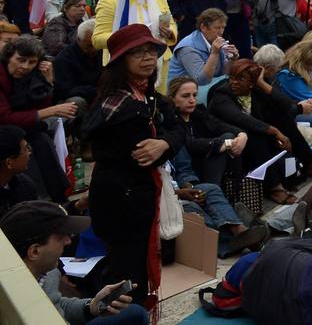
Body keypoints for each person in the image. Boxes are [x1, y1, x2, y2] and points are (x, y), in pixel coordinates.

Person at [83, 23, 186, 313]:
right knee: (125, 277)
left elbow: (178, 129)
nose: (147, 58)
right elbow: (144, 155)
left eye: (151, 51)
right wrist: (164, 144)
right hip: (120, 201)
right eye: (137, 53)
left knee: (139, 268)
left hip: (140, 196)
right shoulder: (117, 106)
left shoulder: (149, 95)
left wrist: (165, 143)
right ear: (120, 63)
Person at [1, 199, 148, 324]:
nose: (68, 241)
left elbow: (58, 305)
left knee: (136, 313)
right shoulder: (9, 302)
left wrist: (92, 305)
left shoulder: (50, 271)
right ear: (34, 251)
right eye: (60, 236)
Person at [207, 59, 312, 203]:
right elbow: (240, 119)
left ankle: (310, 162)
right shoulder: (221, 94)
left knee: (282, 119)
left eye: (241, 79)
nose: (234, 82)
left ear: (252, 83)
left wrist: (262, 83)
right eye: (232, 78)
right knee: (254, 135)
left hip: (260, 136)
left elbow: (286, 106)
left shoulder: (255, 91)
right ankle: (274, 188)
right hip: (235, 141)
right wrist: (274, 132)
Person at [0, 35, 74, 199]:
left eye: (31, 62)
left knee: (42, 140)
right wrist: (52, 111)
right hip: (6, 131)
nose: (25, 66)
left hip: (23, 128)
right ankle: (35, 199)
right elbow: (5, 117)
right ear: (8, 57)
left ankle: (57, 198)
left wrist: (47, 82)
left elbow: (38, 106)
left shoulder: (30, 75)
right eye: (20, 60)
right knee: (22, 147)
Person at [168, 7, 237, 85]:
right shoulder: (188, 48)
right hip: (181, 92)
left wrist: (232, 59)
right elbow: (201, 81)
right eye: (217, 28)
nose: (221, 32)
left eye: (223, 28)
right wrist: (214, 54)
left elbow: (224, 73)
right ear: (203, 27)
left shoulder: (215, 42)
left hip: (203, 88)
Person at [0, 124, 39, 214]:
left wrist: (75, 206)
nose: (29, 153)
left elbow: (39, 217)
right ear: (9, 162)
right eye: (25, 149)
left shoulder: (24, 185)